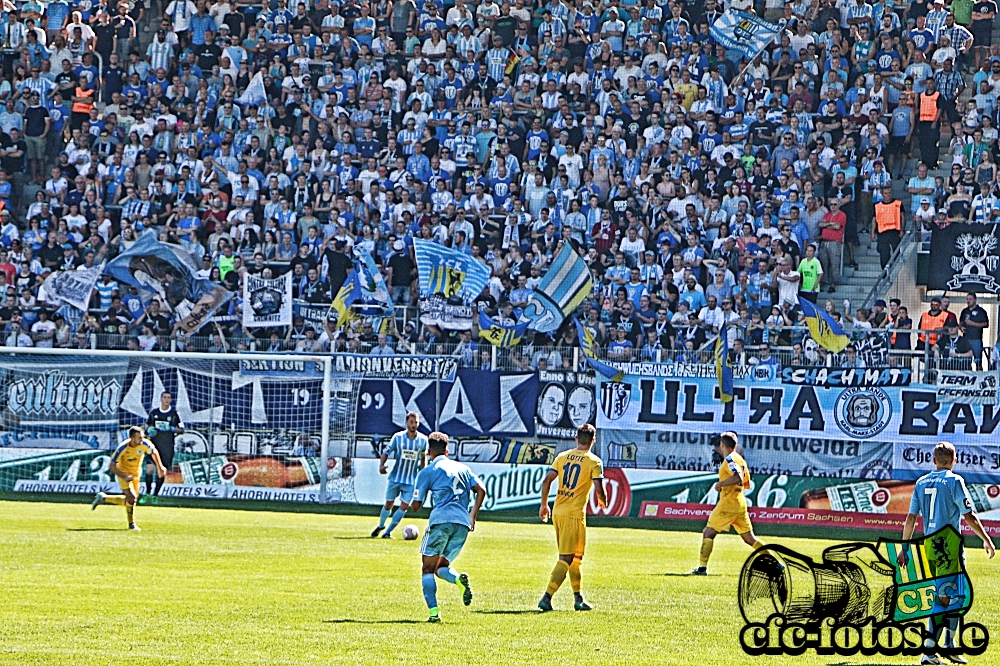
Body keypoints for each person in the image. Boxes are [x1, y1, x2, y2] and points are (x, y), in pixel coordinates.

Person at [902, 441, 995, 664]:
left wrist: (904, 548)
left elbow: (911, 519)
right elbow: (969, 515)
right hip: (948, 546)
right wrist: (986, 538)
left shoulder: (921, 482)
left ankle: (944, 647)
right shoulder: (955, 481)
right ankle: (933, 651)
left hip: (930, 546)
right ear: (954, 461)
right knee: (949, 597)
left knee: (951, 596)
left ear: (934, 461)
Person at [410, 430, 486, 623]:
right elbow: (481, 490)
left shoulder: (427, 471)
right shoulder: (463, 468)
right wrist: (472, 516)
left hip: (440, 522)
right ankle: (458, 579)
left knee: (427, 569)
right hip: (462, 524)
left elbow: (416, 506)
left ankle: (434, 614)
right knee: (440, 566)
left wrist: (418, 487)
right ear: (447, 450)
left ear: (429, 451)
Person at [538, 423, 607, 612]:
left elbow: (547, 481)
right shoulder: (594, 462)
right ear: (593, 441)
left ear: (576, 438)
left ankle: (578, 598)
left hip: (559, 512)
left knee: (576, 558)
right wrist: (603, 500)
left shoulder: (562, 457)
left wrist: (544, 505)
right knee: (566, 558)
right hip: (574, 515)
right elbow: (599, 487)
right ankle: (547, 597)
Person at [691, 432, 765, 575]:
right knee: (750, 539)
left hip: (728, 504)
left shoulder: (730, 459)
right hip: (740, 503)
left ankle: (701, 569)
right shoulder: (740, 459)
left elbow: (738, 477)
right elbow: (746, 482)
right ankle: (775, 561)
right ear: (735, 445)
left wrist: (721, 484)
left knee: (708, 532)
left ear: (722, 445)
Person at [91, 425, 166, 530]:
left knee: (131, 500)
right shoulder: (122, 448)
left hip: (135, 474)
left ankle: (104, 498)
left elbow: (154, 452)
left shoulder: (144, 443)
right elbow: (112, 466)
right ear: (132, 438)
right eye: (139, 437)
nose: (141, 439)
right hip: (123, 473)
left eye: (142, 436)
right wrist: (124, 476)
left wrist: (160, 467)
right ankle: (131, 524)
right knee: (131, 497)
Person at [371, 411, 427, 539]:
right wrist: (381, 465)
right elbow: (386, 452)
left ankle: (387, 532)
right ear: (406, 423)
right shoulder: (398, 437)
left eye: (416, 422)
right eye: (411, 422)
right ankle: (381, 525)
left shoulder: (423, 440)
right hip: (395, 477)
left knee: (404, 506)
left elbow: (423, 458)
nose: (413, 425)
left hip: (411, 480)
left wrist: (423, 474)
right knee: (389, 504)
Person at [144, 390, 184, 500]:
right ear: (161, 399)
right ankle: (147, 493)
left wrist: (172, 429)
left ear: (171, 400)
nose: (166, 399)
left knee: (161, 472)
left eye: (168, 398)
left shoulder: (174, 414)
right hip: (153, 447)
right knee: (149, 469)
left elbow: (182, 429)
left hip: (167, 448)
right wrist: (149, 428)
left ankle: (155, 495)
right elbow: (147, 424)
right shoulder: (154, 413)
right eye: (164, 397)